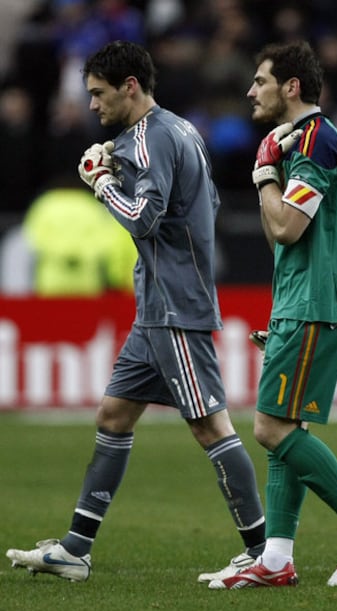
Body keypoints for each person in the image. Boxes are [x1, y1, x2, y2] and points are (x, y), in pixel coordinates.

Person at [6, 40, 265, 582]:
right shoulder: (180, 129)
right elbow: (201, 203)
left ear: (130, 87)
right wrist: (115, 169)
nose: (93, 106)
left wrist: (101, 182)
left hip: (175, 308)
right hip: (157, 307)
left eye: (99, 94)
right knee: (114, 416)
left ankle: (264, 553)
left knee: (211, 426)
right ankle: (76, 549)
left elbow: (145, 219)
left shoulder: (148, 141)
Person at [208, 40, 337, 590]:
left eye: (260, 81)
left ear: (291, 87)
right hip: (304, 303)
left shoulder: (316, 141)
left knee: (270, 427)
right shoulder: (305, 142)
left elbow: (285, 228)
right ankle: (275, 558)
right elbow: (284, 235)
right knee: (285, 424)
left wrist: (264, 174)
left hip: (316, 306)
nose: (250, 91)